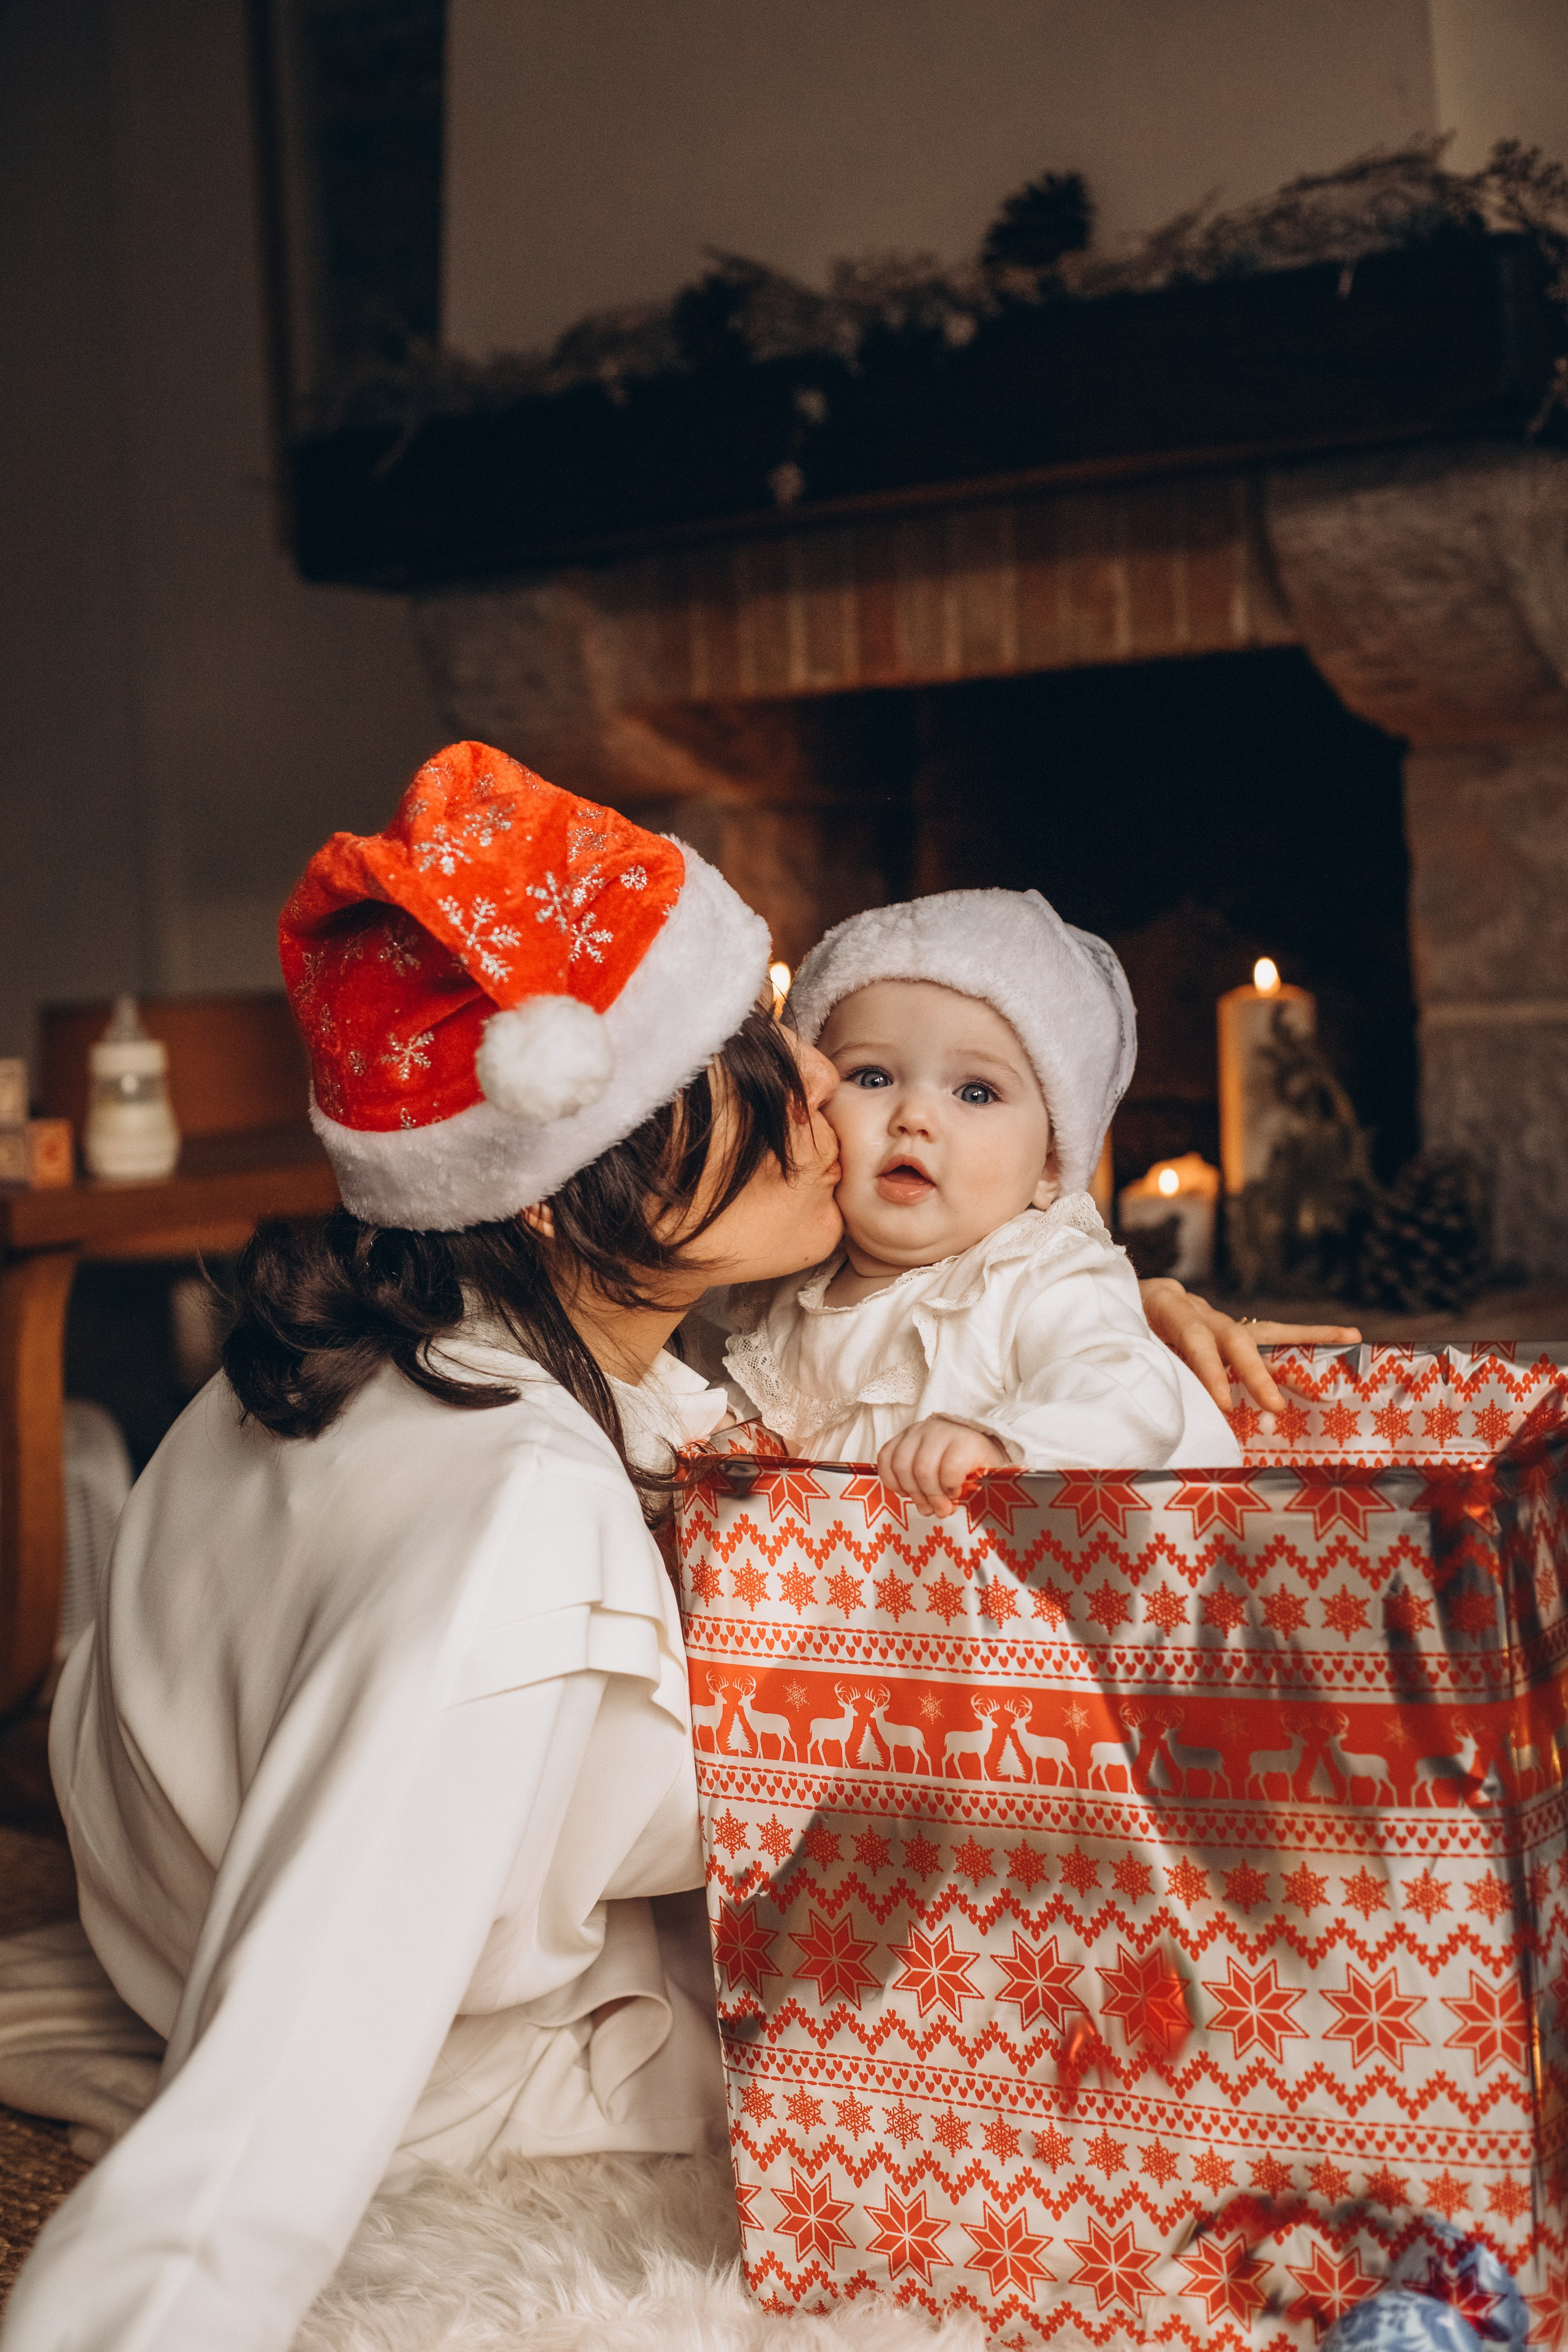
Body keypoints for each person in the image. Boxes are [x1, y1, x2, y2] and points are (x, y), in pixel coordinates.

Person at [0, 746, 1353, 2352]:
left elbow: (806, 1409)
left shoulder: (402, 1342)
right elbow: (304, 2027)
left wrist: (1089, 1319)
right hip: (448, 2059)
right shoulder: (514, 1518)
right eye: (748, 1062)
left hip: (171, 1910)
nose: (826, 1095)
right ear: (559, 1190)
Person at [724, 889, 1240, 1515]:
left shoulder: (1036, 1276)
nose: (914, 1117)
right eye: (872, 1077)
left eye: (975, 1092)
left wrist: (998, 1442)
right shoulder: (778, 1285)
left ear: (1050, 1166)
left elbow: (1129, 1391)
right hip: (830, 1575)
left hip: (1016, 1572)